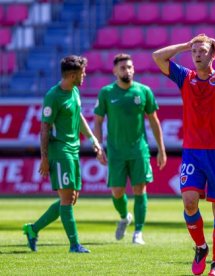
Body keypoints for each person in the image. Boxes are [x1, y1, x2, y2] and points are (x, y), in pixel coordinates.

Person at [152, 34, 215, 275]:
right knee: (189, 202)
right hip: (193, 153)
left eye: (202, 51)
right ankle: (201, 247)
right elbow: (157, 57)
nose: (197, 55)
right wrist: (186, 45)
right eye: (194, 52)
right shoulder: (185, 77)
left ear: (213, 54)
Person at [23, 55, 103, 253]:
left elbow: (79, 115)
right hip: (59, 150)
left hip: (73, 150)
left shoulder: (74, 91)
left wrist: (93, 139)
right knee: (67, 199)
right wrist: (44, 158)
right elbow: (44, 128)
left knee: (71, 197)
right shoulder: (53, 96)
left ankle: (32, 229)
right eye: (83, 73)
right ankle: (74, 245)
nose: (85, 76)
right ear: (73, 74)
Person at [94, 53, 167, 245]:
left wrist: (161, 148)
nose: (127, 70)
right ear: (115, 71)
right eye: (123, 67)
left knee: (139, 189)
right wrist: (98, 146)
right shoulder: (106, 93)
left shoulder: (144, 91)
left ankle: (138, 232)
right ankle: (125, 216)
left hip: (139, 150)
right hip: (116, 152)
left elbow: (154, 121)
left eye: (129, 67)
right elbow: (98, 121)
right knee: (117, 192)